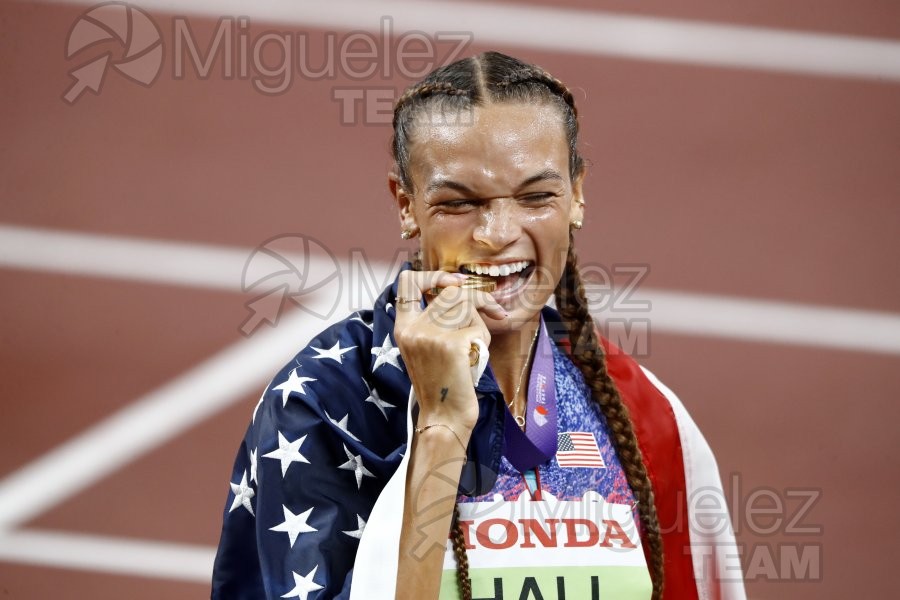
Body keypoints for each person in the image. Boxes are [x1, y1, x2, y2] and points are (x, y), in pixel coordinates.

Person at [212, 51, 745, 600]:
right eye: (460, 203)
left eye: (536, 197)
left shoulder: (640, 412)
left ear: (577, 194)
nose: (497, 233)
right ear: (406, 205)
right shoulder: (324, 405)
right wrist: (442, 427)